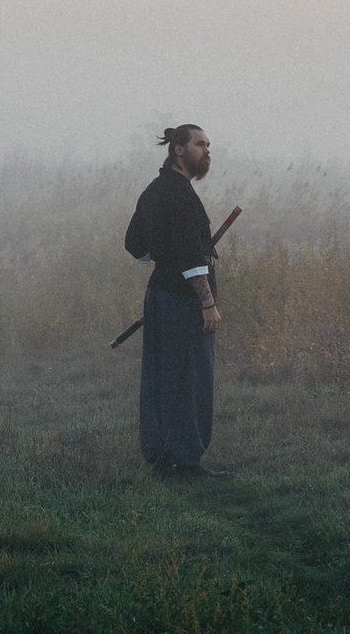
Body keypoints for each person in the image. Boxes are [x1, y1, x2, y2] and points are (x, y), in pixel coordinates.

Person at [123, 123, 225, 477]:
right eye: (200, 144)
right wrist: (207, 304)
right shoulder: (179, 194)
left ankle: (164, 459)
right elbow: (191, 256)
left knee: (163, 377)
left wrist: (160, 258)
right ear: (179, 150)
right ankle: (186, 462)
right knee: (189, 378)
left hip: (160, 295)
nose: (207, 150)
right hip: (183, 302)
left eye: (208, 145)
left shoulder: (155, 190)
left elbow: (135, 243)